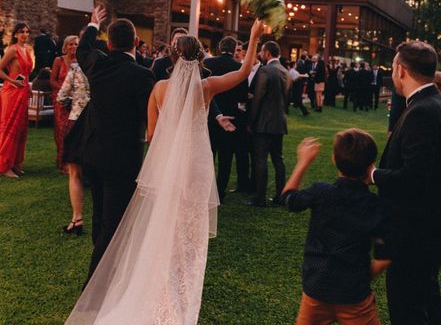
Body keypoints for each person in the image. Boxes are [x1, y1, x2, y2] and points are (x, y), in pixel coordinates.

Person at [66, 19, 265, 325]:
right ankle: (179, 294)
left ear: (172, 57)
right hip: (195, 170)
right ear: (200, 58)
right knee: (188, 237)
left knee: (161, 229)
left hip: (165, 170)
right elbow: (243, 72)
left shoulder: (159, 89)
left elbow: (153, 135)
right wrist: (252, 38)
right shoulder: (206, 88)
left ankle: (156, 290)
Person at [370, 41, 441, 325]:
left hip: (415, 233)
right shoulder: (440, 106)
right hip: (431, 228)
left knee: (408, 309)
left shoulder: (422, 111)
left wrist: (372, 174)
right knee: (429, 303)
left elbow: (414, 178)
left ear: (400, 70)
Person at [75, 7, 155, 284]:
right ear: (135, 43)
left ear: (109, 43)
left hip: (93, 152)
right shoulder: (143, 76)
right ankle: (94, 287)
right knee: (113, 223)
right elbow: (149, 117)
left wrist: (94, 24)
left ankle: (102, 259)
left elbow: (82, 49)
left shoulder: (98, 64)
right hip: (121, 160)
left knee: (100, 214)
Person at [283, 131, 391, 325]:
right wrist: (362, 276)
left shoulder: (321, 192)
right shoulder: (377, 205)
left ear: (334, 159)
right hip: (355, 295)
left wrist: (303, 162)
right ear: (371, 165)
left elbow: (289, 199)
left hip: (316, 288)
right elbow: (385, 255)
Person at [0, 22, 34, 178]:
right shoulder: (12, 50)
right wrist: (12, 81)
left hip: (23, 91)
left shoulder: (27, 50)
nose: (25, 34)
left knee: (20, 128)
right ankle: (3, 166)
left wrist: (28, 86)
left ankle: (14, 163)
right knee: (9, 126)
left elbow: (26, 72)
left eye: (27, 31)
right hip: (11, 92)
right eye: (21, 32)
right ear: (16, 34)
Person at [204, 36, 249, 200]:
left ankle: (205, 190)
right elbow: (243, 96)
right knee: (226, 157)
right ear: (233, 49)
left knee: (208, 155)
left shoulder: (207, 64)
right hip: (230, 117)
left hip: (209, 116)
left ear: (219, 47)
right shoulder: (239, 67)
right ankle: (220, 192)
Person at [248, 41, 291, 207]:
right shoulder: (285, 71)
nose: (260, 54)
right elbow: (287, 98)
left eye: (261, 51)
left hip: (264, 123)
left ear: (266, 53)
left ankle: (260, 198)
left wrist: (251, 121)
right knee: (278, 160)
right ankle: (281, 196)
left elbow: (258, 98)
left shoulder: (265, 70)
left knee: (260, 160)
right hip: (279, 121)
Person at [57, 61, 90, 235]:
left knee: (74, 172)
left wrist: (74, 101)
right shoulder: (104, 66)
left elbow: (61, 96)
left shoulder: (76, 68)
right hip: (97, 122)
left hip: (77, 119)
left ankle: (77, 218)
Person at [51, 35, 78, 172]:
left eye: (76, 44)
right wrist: (64, 90)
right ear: (65, 46)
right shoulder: (58, 60)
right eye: (71, 44)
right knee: (61, 130)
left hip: (76, 101)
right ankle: (62, 162)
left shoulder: (80, 62)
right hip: (61, 100)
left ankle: (70, 161)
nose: (73, 47)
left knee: (72, 131)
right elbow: (52, 80)